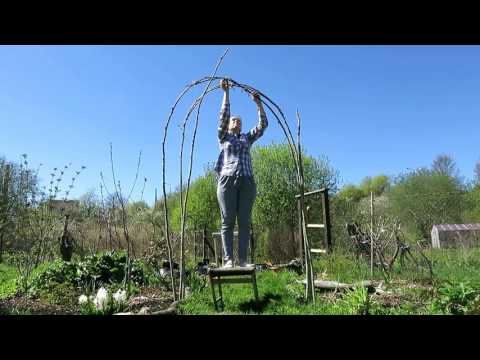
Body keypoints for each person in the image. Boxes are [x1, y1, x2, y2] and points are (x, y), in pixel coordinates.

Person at [214, 79, 268, 268]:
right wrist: (226, 93)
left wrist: (258, 104)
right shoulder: (223, 136)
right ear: (229, 125)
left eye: (240, 121)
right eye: (234, 120)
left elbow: (263, 126)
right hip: (227, 180)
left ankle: (243, 260)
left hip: (246, 181)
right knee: (227, 220)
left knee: (244, 222)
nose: (237, 122)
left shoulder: (246, 138)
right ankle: (228, 260)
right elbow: (223, 116)